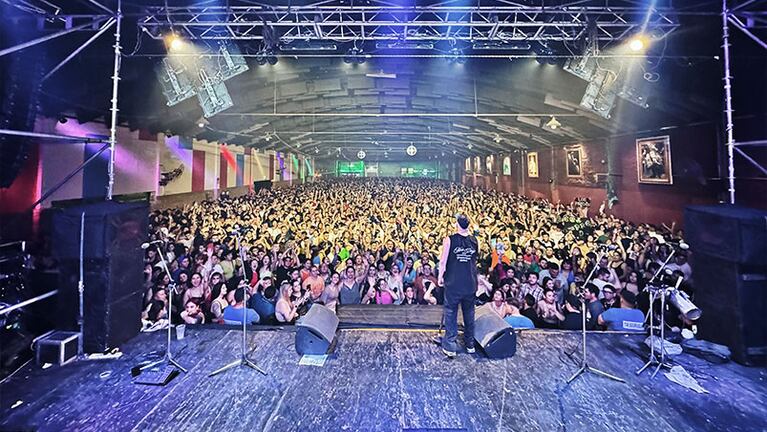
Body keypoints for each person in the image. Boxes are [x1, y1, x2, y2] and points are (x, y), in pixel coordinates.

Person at [438, 213, 478, 358]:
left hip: (454, 283)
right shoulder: (474, 240)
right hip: (470, 283)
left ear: (457, 224)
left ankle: (450, 345)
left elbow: (443, 261)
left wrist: (440, 277)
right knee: (469, 314)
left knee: (450, 313)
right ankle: (470, 344)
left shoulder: (449, 240)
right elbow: (474, 262)